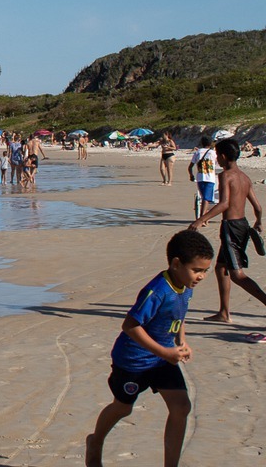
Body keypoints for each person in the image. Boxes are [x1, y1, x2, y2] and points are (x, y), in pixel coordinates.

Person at [84, 230, 213, 467]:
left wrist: (180, 342)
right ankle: (96, 441)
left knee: (181, 406)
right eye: (197, 270)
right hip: (134, 361)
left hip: (162, 359)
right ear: (176, 263)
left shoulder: (186, 285)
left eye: (205, 271)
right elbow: (130, 325)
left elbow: (179, 315)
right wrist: (165, 352)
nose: (202, 276)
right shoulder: (157, 291)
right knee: (123, 408)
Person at [187, 139, 266, 323]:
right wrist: (258, 223)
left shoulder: (225, 176)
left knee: (237, 275)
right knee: (221, 267)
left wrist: (200, 220)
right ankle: (224, 313)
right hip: (243, 225)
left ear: (223, 156)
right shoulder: (244, 177)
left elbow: (224, 204)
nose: (216, 160)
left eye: (217, 156)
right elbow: (258, 207)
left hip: (231, 227)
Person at [187, 137, 217, 219]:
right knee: (206, 198)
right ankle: (202, 218)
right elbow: (219, 163)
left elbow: (190, 167)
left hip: (200, 178)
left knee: (204, 197)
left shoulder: (197, 152)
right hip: (210, 178)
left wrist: (191, 176)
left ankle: (203, 218)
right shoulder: (213, 153)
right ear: (210, 143)